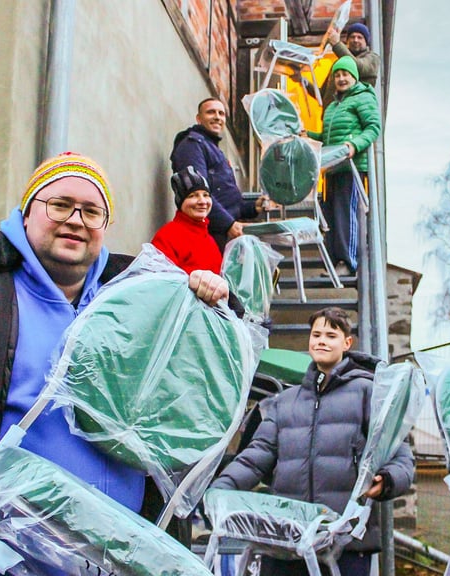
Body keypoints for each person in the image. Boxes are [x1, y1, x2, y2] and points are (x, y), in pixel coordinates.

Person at [0, 152, 230, 571]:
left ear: (104, 228)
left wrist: (209, 307)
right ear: (26, 212)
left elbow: (192, 412)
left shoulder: (141, 306)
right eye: (59, 205)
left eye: (92, 211)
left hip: (121, 561)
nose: (75, 219)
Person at [210, 307, 413, 576]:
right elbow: (255, 457)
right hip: (285, 539)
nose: (321, 340)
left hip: (345, 542)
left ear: (347, 343)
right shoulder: (284, 402)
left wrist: (387, 480)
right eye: (316, 334)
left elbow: (399, 455)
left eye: (331, 335)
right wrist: (221, 490)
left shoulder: (370, 394)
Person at [307, 56, 381, 276]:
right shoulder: (333, 105)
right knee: (331, 215)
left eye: (345, 74)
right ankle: (334, 262)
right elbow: (327, 138)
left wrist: (354, 145)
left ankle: (348, 262)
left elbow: (373, 127)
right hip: (332, 166)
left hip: (351, 165)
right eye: (337, 75)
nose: (341, 79)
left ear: (354, 77)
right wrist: (308, 136)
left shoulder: (363, 97)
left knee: (346, 213)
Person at [171, 98, 273, 250]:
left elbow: (227, 200)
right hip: (209, 233)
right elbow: (196, 193)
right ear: (199, 119)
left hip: (221, 231)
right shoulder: (192, 145)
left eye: (221, 113)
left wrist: (253, 207)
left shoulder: (211, 147)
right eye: (211, 112)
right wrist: (228, 224)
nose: (217, 117)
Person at [152, 165, 223, 274]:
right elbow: (162, 281)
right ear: (181, 202)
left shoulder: (210, 240)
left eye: (206, 195)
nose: (202, 201)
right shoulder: (167, 237)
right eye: (193, 196)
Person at [319, 22, 381, 105]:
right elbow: (323, 94)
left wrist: (337, 44)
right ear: (347, 41)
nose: (355, 40)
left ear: (366, 42)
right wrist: (304, 81)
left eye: (360, 37)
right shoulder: (339, 63)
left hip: (351, 114)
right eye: (352, 37)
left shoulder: (372, 58)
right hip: (331, 115)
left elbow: (358, 67)